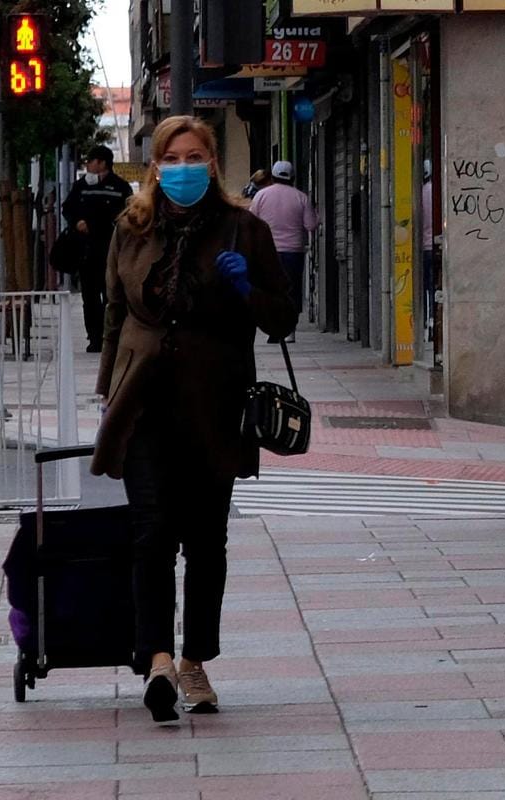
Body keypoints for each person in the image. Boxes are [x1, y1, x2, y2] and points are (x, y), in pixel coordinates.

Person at [90, 115, 297, 723]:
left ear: (213, 163)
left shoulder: (245, 229)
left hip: (215, 404)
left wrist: (245, 291)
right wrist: (107, 390)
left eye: (196, 156)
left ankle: (194, 662)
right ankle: (156, 659)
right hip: (143, 402)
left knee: (206, 542)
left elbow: (282, 317)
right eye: (173, 158)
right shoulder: (131, 229)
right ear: (156, 166)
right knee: (151, 533)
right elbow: (112, 313)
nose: (185, 167)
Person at [62, 145, 133, 353]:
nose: (88, 165)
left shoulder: (120, 187)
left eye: (91, 161)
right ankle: (94, 337)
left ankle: (112, 334)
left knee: (112, 296)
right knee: (90, 297)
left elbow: (128, 213)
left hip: (112, 251)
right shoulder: (81, 186)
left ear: (102, 163)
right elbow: (68, 208)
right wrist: (77, 222)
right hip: (87, 252)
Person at [248, 160, 318, 341]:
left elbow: (251, 222)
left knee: (270, 289)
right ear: (293, 177)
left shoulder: (261, 196)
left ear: (272, 176)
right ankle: (289, 331)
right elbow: (310, 225)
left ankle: (272, 328)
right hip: (293, 251)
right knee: (291, 290)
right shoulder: (301, 197)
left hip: (267, 252)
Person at [421, 158, 435, 340]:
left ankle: (426, 321)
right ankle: (433, 321)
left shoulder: (422, 192)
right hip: (435, 246)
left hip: (423, 248)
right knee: (434, 288)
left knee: (425, 288)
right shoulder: (437, 191)